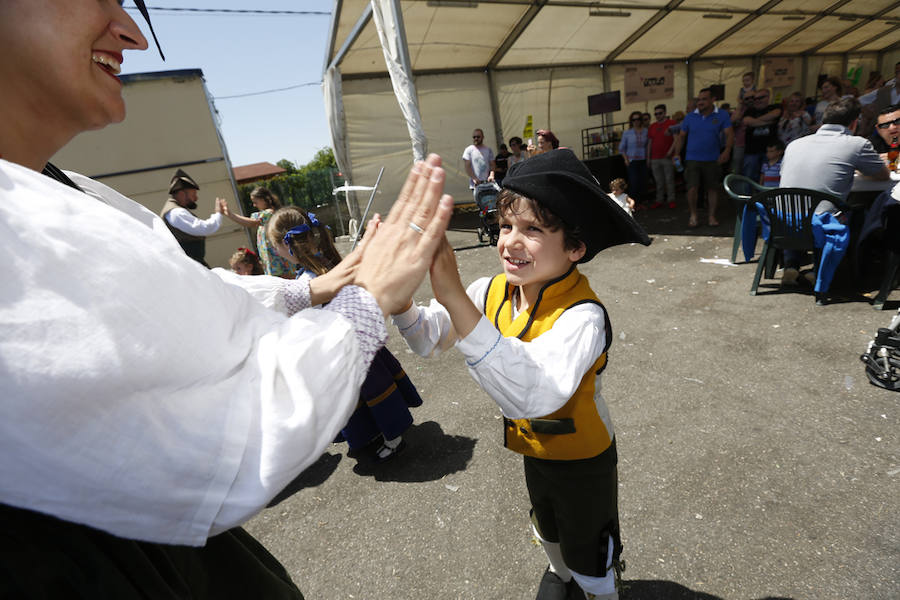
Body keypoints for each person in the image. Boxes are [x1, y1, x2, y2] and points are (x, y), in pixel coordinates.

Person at [0, 1, 454, 596]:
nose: (133, 35)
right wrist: (364, 301)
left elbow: (196, 300)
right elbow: (232, 429)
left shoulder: (71, 190)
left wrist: (315, 288)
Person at [393, 149, 650, 600]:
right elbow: (429, 338)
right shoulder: (489, 289)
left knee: (590, 543)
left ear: (575, 247)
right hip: (534, 448)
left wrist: (453, 295)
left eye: (533, 230)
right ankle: (560, 574)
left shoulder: (582, 316)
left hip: (582, 458)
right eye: (507, 226)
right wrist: (400, 301)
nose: (510, 241)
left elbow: (535, 393)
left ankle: (598, 590)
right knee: (546, 520)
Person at [266, 207, 424, 461]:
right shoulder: (330, 264)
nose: (275, 251)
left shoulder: (308, 282)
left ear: (290, 246)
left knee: (372, 394)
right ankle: (376, 432)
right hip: (354, 343)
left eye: (276, 245)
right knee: (364, 395)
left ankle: (393, 437)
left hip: (346, 350)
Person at [779, 97, 890, 286]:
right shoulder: (856, 144)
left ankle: (791, 264)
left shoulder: (795, 144)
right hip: (821, 223)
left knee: (803, 204)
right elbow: (882, 175)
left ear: (824, 120)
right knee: (859, 212)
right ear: (855, 122)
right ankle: (823, 268)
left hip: (783, 222)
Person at [673, 87, 734, 228]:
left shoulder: (722, 115)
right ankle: (693, 215)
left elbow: (729, 133)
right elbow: (681, 137)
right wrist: (676, 154)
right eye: (699, 99)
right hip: (692, 158)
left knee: (712, 188)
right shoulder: (689, 117)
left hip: (713, 158)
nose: (700, 102)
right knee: (692, 188)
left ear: (713, 100)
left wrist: (727, 150)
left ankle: (711, 216)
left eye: (704, 99)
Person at [221, 186, 297, 278]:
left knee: (285, 279)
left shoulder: (270, 213)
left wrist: (230, 215)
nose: (254, 205)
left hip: (277, 259)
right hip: (272, 258)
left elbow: (251, 223)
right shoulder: (265, 214)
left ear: (265, 199)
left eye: (255, 202)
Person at [159, 168, 225, 267]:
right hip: (189, 267)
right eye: (193, 194)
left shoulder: (175, 210)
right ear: (181, 194)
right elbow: (204, 228)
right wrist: (218, 213)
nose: (196, 198)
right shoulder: (176, 212)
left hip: (191, 265)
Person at [741, 88, 782, 181]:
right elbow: (747, 121)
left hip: (770, 150)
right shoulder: (750, 110)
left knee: (768, 177)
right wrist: (768, 122)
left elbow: (776, 114)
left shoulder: (775, 107)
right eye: (755, 99)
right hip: (751, 150)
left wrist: (755, 121)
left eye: (761, 98)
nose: (758, 100)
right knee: (748, 177)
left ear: (768, 97)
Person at [647, 104, 678, 209]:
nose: (658, 115)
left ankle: (671, 200)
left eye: (660, 113)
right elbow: (650, 143)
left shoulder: (671, 124)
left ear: (665, 113)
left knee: (669, 180)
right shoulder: (652, 126)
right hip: (655, 158)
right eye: (656, 114)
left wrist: (671, 151)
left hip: (667, 157)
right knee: (659, 181)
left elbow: (676, 139)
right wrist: (648, 158)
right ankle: (659, 200)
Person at [618, 111, 649, 209]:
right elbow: (621, 148)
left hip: (643, 160)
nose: (636, 121)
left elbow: (648, 146)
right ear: (631, 121)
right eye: (634, 119)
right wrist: (626, 160)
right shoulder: (627, 133)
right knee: (634, 182)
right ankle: (633, 204)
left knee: (642, 182)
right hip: (632, 161)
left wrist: (648, 159)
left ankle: (640, 203)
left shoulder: (646, 131)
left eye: (638, 119)